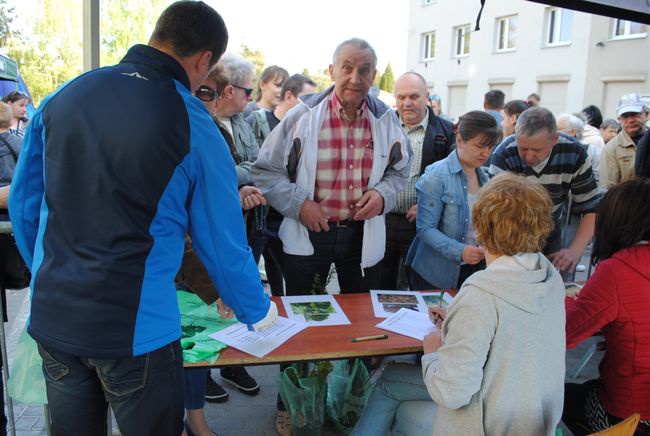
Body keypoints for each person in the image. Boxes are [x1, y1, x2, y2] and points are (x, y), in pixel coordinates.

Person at [8, 2, 276, 435]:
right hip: (136, 329)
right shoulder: (191, 119)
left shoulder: (66, 93)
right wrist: (256, 311)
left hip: (57, 316)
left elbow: (25, 204)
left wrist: (47, 270)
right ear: (204, 60)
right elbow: (221, 238)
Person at [252, 37, 411, 435]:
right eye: (347, 68)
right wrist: (298, 203)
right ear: (332, 70)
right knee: (296, 323)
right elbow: (265, 171)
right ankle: (289, 403)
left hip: (361, 238)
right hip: (310, 235)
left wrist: (382, 194)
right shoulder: (302, 116)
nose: (355, 78)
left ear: (374, 75)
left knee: (360, 325)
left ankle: (347, 403)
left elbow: (400, 174)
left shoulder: (388, 120)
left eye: (364, 70)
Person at [353, 173, 565, 436]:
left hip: (488, 424)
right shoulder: (548, 276)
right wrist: (456, 322)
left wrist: (432, 351)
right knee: (394, 382)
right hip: (535, 419)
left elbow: (452, 393)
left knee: (395, 393)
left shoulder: (481, 294)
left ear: (479, 228)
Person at [562, 178, 650, 435]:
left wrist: (565, 298)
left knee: (558, 397)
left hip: (630, 414)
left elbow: (565, 332)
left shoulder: (617, 271)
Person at [207, 52, 265, 402]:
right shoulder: (202, 121)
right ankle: (206, 367)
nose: (251, 97)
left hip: (249, 223)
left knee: (238, 295)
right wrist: (237, 182)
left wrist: (238, 179)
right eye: (247, 90)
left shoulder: (243, 121)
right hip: (216, 229)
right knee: (211, 297)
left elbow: (258, 164)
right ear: (228, 90)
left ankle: (233, 361)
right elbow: (216, 175)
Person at [490, 106, 601, 276]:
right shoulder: (504, 154)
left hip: (550, 230)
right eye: (523, 148)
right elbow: (494, 212)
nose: (528, 157)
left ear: (554, 139)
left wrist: (576, 249)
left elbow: (591, 206)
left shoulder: (574, 153)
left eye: (537, 150)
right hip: (510, 230)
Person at [405, 111, 501, 290]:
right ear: (459, 140)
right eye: (480, 146)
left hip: (475, 270)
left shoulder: (487, 178)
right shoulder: (436, 175)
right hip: (435, 274)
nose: (485, 153)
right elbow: (425, 228)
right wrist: (460, 250)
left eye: (490, 147)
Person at [379, 72, 453, 290]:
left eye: (414, 96)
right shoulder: (383, 128)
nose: (407, 103)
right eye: (401, 97)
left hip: (422, 223)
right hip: (385, 221)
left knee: (420, 285)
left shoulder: (446, 131)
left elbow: (451, 179)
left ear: (426, 96)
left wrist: (428, 205)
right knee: (381, 284)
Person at [246, 74, 317, 296]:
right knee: (250, 279)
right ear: (289, 96)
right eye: (308, 99)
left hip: (288, 220)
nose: (315, 106)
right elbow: (252, 166)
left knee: (288, 285)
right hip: (259, 219)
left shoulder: (309, 129)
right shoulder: (257, 122)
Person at [599, 94, 648, 189]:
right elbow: (607, 188)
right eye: (625, 116)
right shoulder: (612, 148)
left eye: (634, 114)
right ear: (619, 119)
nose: (630, 120)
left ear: (646, 114)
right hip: (628, 203)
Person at [557, 113, 600, 182]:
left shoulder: (590, 150)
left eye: (558, 129)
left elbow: (596, 179)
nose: (554, 132)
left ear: (572, 132)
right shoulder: (552, 149)